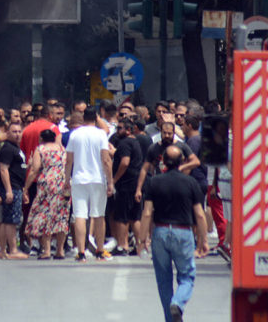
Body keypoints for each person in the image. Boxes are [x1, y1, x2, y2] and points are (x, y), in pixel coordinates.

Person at [139, 145, 209, 322]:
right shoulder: (190, 183)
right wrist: (203, 240)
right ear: (182, 162)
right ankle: (178, 302)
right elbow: (200, 214)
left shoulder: (154, 182)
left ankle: (170, 319)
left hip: (160, 232)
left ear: (163, 162)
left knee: (164, 281)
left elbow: (147, 212)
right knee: (186, 276)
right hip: (183, 232)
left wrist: (142, 239)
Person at [63, 109, 114, 262]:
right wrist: (110, 181)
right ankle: (99, 250)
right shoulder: (100, 135)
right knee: (98, 215)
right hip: (97, 179)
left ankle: (81, 252)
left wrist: (66, 180)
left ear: (84, 118)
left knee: (79, 215)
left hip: (79, 178)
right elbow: (106, 160)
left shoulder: (75, 134)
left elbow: (69, 160)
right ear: (96, 118)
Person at [24, 129, 70, 260]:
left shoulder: (41, 149)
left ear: (42, 139)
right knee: (61, 216)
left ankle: (47, 250)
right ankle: (60, 250)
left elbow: (35, 169)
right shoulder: (62, 149)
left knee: (45, 215)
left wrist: (26, 187)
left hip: (46, 185)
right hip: (62, 183)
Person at [110, 118, 144, 256]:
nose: (117, 131)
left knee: (122, 217)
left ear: (128, 130)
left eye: (120, 128)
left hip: (125, 185)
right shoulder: (134, 142)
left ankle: (122, 246)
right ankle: (140, 246)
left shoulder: (124, 143)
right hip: (135, 183)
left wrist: (114, 179)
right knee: (134, 217)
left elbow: (124, 162)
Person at [0, 122, 29, 260]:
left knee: (6, 220)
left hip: (17, 187)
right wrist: (9, 190)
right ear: (7, 133)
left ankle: (3, 250)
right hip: (11, 188)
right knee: (11, 220)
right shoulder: (7, 149)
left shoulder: (16, 148)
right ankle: (13, 249)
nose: (17, 134)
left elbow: (18, 168)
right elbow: (3, 169)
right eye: (14, 132)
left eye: (19, 131)